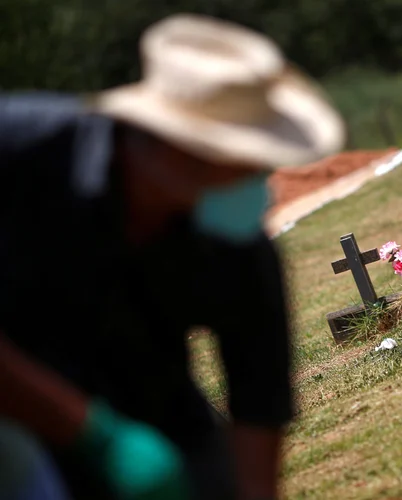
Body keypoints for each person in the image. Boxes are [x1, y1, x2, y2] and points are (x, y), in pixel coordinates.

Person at [0, 13, 345, 500]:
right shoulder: (19, 149)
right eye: (243, 164)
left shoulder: (235, 242)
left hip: (158, 420)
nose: (259, 182)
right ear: (179, 151)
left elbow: (258, 399)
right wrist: (93, 435)